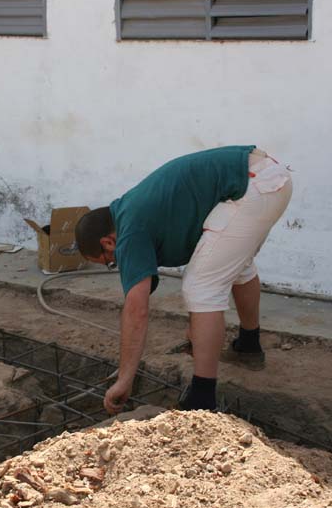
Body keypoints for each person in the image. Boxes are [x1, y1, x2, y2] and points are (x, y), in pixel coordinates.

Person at [75, 145, 292, 414]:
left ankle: (202, 398)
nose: (116, 264)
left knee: (200, 286)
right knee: (235, 265)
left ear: (108, 242)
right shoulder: (131, 209)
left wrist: (125, 379)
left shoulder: (128, 231)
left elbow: (137, 309)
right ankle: (248, 345)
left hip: (251, 186)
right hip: (267, 178)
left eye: (109, 261)